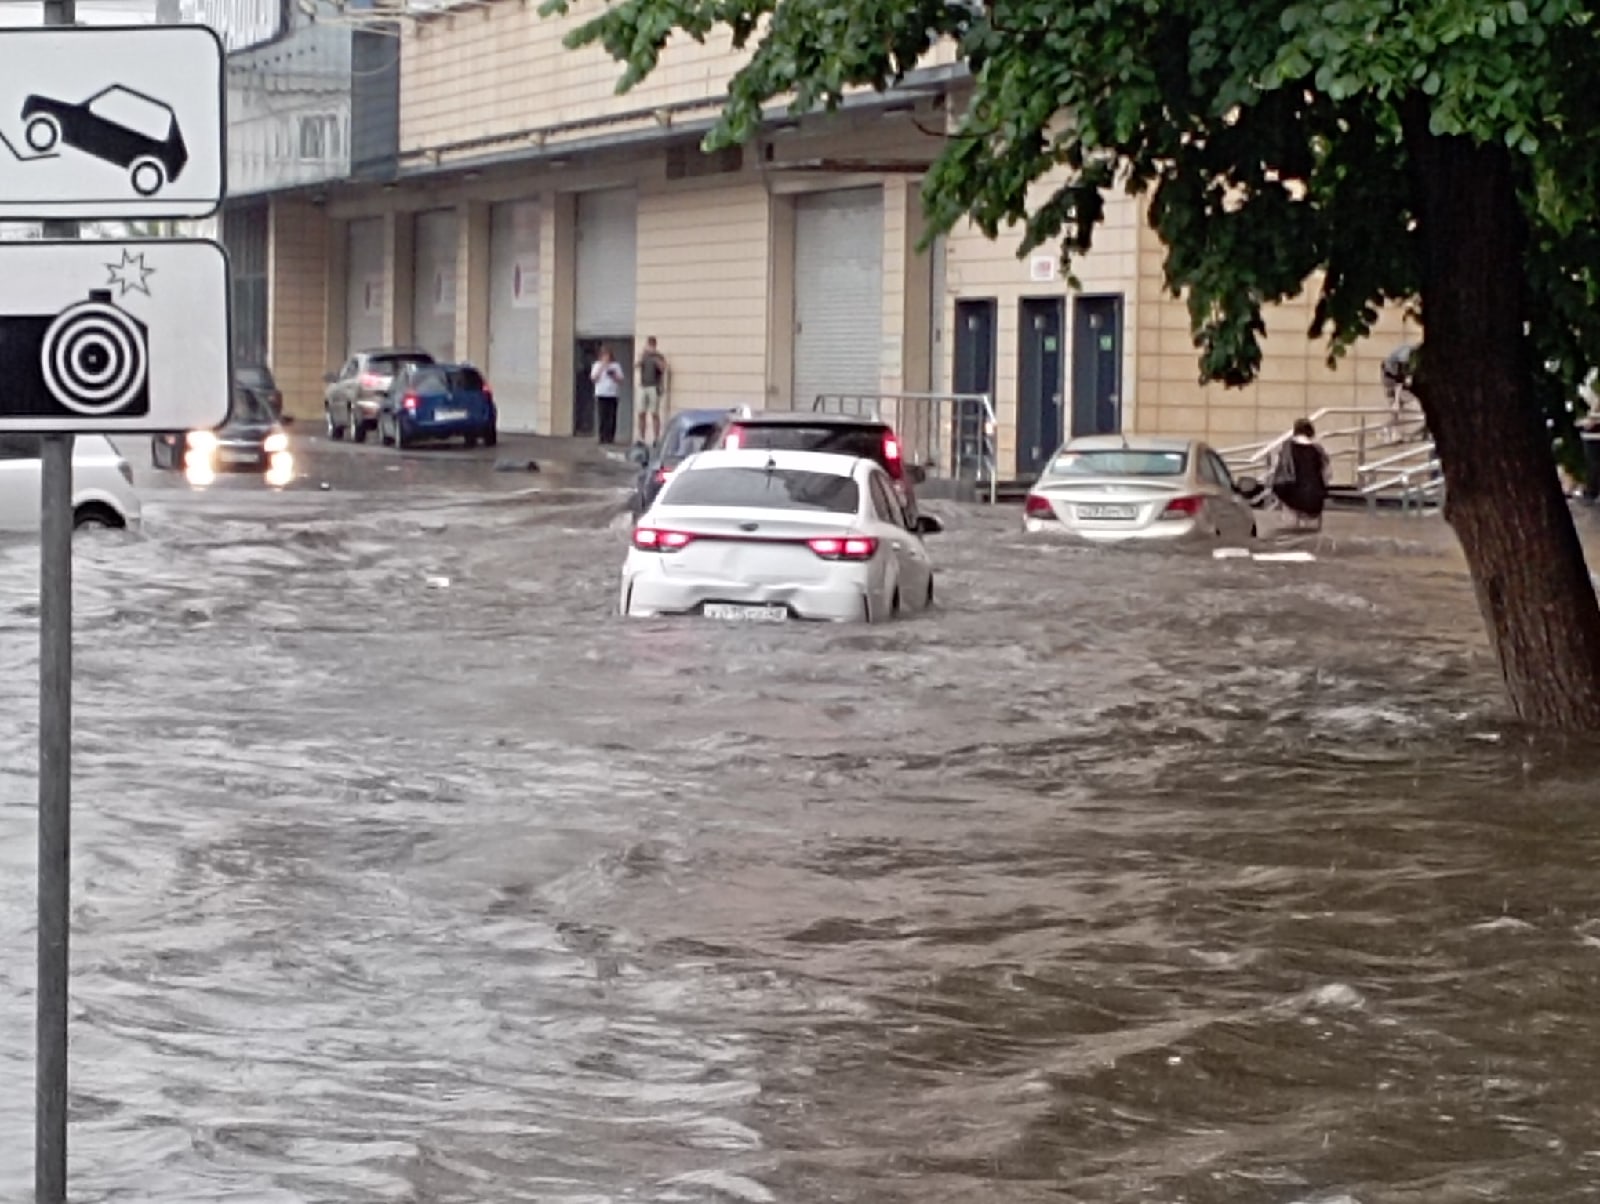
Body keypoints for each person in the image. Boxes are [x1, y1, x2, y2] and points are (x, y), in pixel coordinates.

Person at [1269, 418, 1332, 528]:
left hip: (1291, 493)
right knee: (1311, 534)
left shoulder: (1286, 448)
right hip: (1314, 497)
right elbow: (1327, 474)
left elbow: (1277, 468)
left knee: (1291, 530)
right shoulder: (1318, 450)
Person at [636, 336, 670, 445]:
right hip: (643, 385)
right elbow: (637, 365)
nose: (650, 347)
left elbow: (663, 368)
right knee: (641, 412)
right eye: (648, 344)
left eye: (652, 345)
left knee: (654, 413)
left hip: (654, 386)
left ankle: (656, 438)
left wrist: (655, 358)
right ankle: (641, 437)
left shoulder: (659, 356)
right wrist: (642, 356)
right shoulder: (644, 356)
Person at [590, 345, 624, 445]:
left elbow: (621, 380)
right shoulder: (597, 365)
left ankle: (610, 437)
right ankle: (602, 436)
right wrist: (602, 368)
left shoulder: (616, 366)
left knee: (611, 416)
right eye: (604, 355)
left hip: (613, 394)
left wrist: (613, 374)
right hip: (601, 393)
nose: (606, 358)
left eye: (608, 355)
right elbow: (593, 378)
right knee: (602, 415)